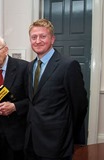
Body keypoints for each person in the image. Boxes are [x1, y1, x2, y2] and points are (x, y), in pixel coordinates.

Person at [25, 18, 88, 160]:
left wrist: (68, 134)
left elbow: (79, 106)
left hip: (56, 143)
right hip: (31, 141)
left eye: (43, 36)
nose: (37, 41)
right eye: (33, 37)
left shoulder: (68, 65)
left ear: (52, 39)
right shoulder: (30, 67)